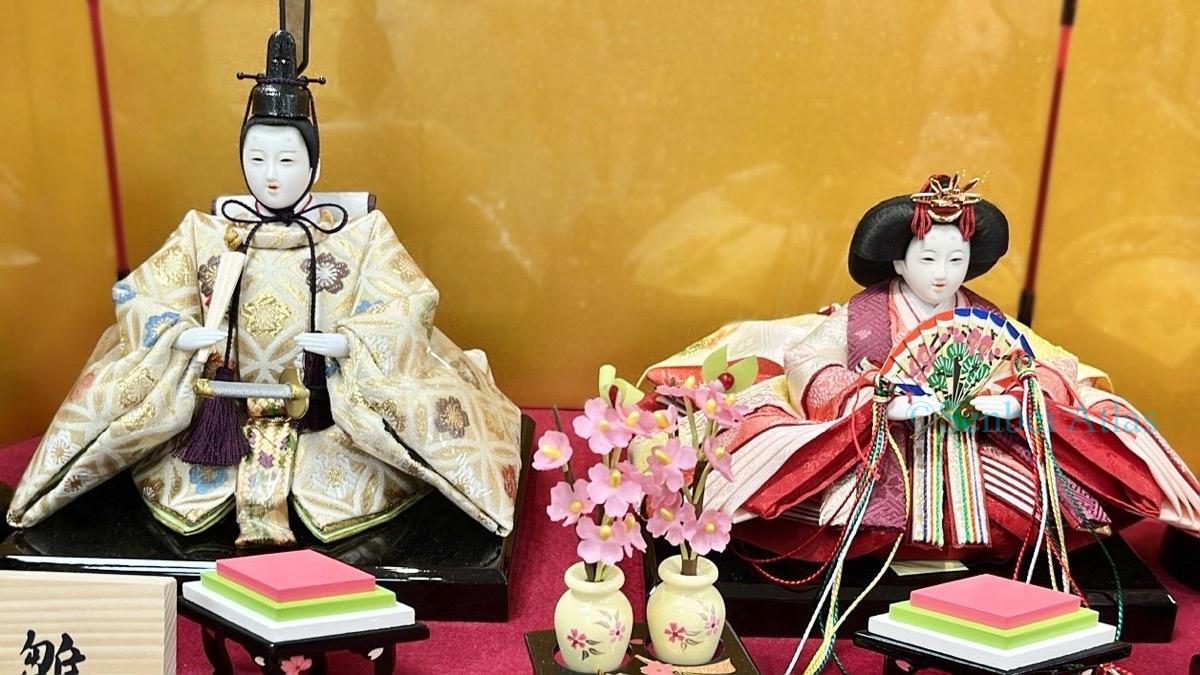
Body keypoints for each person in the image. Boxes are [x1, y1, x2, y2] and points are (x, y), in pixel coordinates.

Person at [7, 29, 522, 546]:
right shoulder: (205, 234)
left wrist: (351, 342)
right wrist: (178, 334)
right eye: (256, 160)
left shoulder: (359, 237)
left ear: (315, 164)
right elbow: (141, 296)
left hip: (329, 427)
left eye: (287, 160)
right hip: (216, 424)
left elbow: (408, 304)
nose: (271, 175)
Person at [645, 173, 1200, 565]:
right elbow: (806, 358)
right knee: (808, 485)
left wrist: (1012, 398)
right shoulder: (860, 316)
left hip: (976, 441)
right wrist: (872, 398)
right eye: (928, 259)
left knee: (1062, 481)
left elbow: (1052, 363)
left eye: (956, 260)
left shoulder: (986, 318)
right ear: (898, 260)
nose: (942, 274)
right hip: (882, 438)